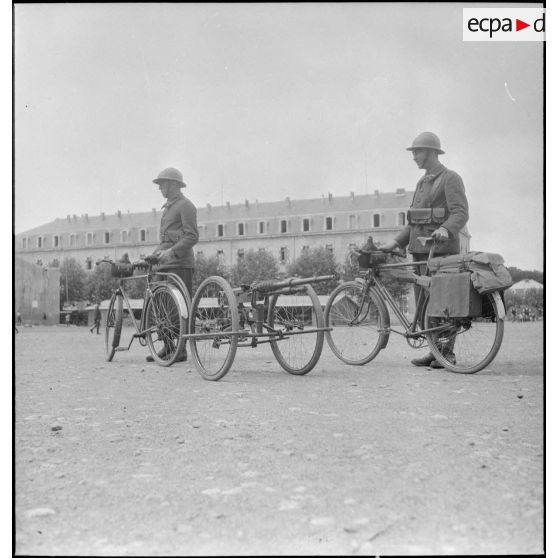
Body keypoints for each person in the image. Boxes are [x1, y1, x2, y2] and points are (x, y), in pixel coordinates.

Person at [381, 132, 469, 368]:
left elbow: (461, 213)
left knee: (442, 302)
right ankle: (435, 351)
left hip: (441, 252)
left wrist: (445, 229)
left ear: (431, 153)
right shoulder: (422, 182)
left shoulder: (450, 178)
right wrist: (396, 242)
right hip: (420, 252)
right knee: (424, 304)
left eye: (417, 152)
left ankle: (447, 354)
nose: (414, 157)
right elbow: (414, 223)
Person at [146, 167, 199, 363]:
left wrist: (171, 252)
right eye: (160, 185)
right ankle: (168, 346)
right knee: (162, 306)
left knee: (180, 307)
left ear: (175, 185)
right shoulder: (168, 208)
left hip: (180, 263)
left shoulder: (186, 206)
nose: (161, 188)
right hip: (164, 264)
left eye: (164, 184)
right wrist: (152, 256)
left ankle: (181, 349)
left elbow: (192, 236)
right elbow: (165, 240)